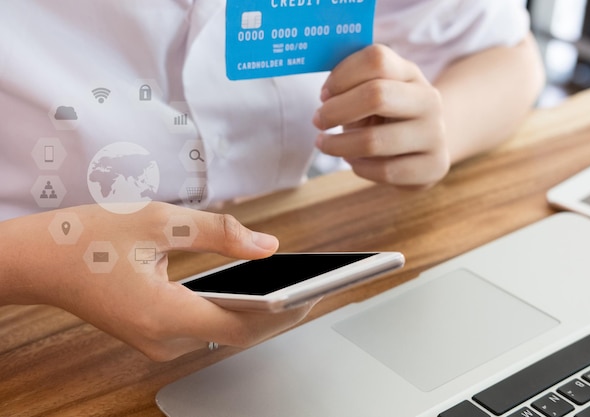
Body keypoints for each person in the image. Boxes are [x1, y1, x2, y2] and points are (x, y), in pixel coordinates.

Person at [0, 0, 545, 361]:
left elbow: (507, 55)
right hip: (36, 330)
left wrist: (440, 125)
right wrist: (40, 262)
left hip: (303, 260)